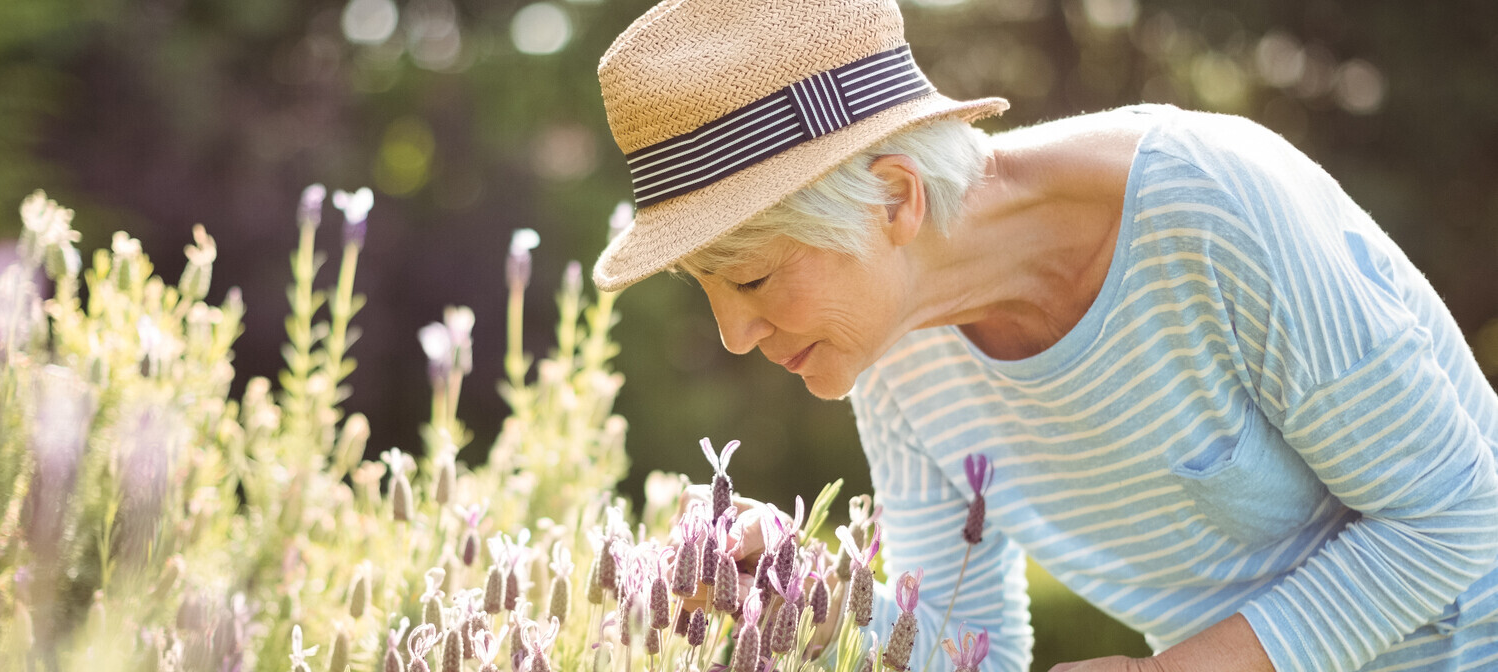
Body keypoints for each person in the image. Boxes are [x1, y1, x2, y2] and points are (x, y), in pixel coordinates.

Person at [590, 0, 1498, 670]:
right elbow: (967, 646)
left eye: (750, 278)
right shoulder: (895, 357)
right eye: (707, 288)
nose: (735, 333)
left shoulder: (1210, 209)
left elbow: (1459, 514)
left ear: (895, 198)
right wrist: (809, 595)